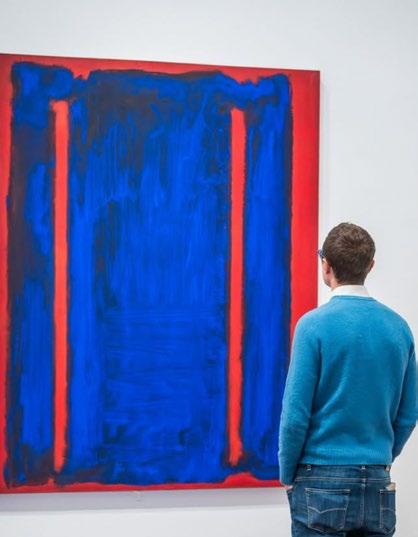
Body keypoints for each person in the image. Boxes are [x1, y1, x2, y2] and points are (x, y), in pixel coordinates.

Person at [278, 222, 417, 536]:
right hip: (377, 481)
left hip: (320, 478)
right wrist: (381, 456)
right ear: (370, 266)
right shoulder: (398, 328)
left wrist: (287, 471)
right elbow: (409, 414)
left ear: (326, 265)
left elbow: (295, 415)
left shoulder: (312, 326)